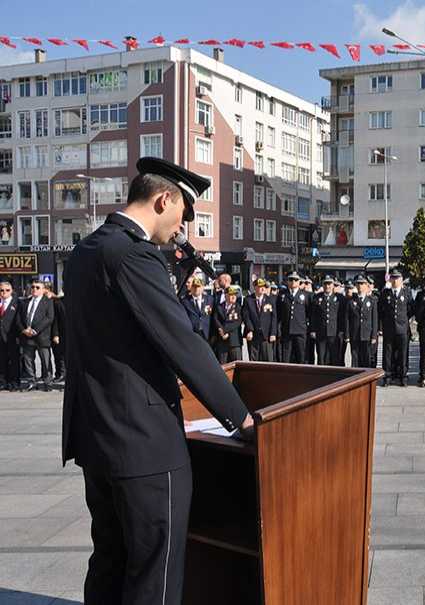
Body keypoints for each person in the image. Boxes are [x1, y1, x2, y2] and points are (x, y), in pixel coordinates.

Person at [62, 157, 253, 604]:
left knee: (109, 562)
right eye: (183, 213)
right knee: (156, 573)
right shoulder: (134, 253)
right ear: (163, 199)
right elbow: (181, 343)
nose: (182, 226)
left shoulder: (87, 251)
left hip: (96, 438)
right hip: (143, 446)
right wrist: (239, 418)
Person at [19, 278, 55, 392]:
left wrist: (35, 330)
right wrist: (24, 330)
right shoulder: (25, 302)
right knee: (28, 360)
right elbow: (19, 319)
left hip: (42, 336)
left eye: (37, 287)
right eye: (32, 287)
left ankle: (47, 382)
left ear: (43, 289)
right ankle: (31, 382)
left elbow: (49, 318)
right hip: (27, 336)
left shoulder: (48, 302)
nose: (34, 289)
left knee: (45, 360)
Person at [380, 270, 412, 386]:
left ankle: (403, 376)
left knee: (403, 353)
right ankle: (387, 376)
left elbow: (410, 309)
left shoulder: (406, 293)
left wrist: (403, 320)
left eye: (397, 278)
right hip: (389, 328)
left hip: (402, 328)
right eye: (393, 278)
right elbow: (381, 310)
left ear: (401, 279)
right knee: (388, 354)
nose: (395, 280)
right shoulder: (385, 293)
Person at [310, 277, 346, 367]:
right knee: (321, 357)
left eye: (329, 284)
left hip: (334, 332)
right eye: (325, 284)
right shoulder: (317, 297)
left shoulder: (339, 298)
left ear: (333, 285)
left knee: (334, 357)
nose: (327, 286)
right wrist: (313, 330)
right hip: (321, 331)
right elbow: (313, 316)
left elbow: (341, 316)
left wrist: (341, 330)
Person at [346, 275, 379, 368]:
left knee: (366, 358)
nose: (360, 286)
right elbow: (347, 319)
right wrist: (347, 335)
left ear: (366, 285)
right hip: (355, 334)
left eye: (362, 283)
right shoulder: (351, 301)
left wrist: (374, 335)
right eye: (358, 284)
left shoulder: (372, 301)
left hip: (366, 334)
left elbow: (374, 319)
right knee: (355, 358)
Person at [277, 273, 309, 364]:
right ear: (287, 281)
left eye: (295, 280)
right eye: (290, 280)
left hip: (300, 330)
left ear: (299, 282)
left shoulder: (305, 295)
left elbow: (308, 312)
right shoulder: (282, 295)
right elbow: (279, 313)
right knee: (286, 357)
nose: (293, 282)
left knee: (301, 356)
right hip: (287, 331)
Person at [242, 278, 277, 362]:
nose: (263, 288)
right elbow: (246, 316)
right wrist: (250, 330)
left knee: (268, 359)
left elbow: (274, 318)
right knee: (254, 359)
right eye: (260, 286)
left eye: (264, 286)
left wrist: (273, 333)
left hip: (266, 335)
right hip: (253, 335)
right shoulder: (248, 300)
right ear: (255, 287)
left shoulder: (270, 299)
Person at [211, 286, 244, 363]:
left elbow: (237, 322)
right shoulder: (219, 307)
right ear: (226, 295)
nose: (233, 297)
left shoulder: (238, 307)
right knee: (223, 364)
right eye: (231, 295)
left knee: (237, 364)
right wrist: (220, 330)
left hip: (234, 341)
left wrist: (225, 331)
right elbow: (216, 319)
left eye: (234, 295)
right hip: (222, 341)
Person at [0, 281, 21, 390]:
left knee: (14, 360)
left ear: (11, 291)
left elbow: (19, 321)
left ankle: (14, 382)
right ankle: (3, 381)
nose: (4, 293)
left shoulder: (17, 303)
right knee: (2, 360)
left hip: (12, 337)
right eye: (2, 290)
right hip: (1, 337)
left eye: (7, 290)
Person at [180, 277, 212, 341]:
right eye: (194, 287)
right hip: (192, 332)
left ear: (203, 287)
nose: (196, 289)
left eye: (198, 287)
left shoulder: (210, 299)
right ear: (191, 288)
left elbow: (213, 316)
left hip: (207, 332)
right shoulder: (185, 301)